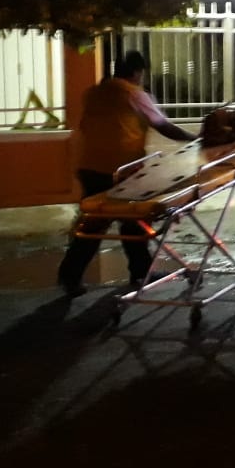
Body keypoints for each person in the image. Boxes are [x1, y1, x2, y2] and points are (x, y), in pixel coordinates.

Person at [56, 51, 198, 297]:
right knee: (132, 220)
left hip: (89, 166)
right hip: (121, 170)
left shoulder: (95, 93)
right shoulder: (134, 94)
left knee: (94, 224)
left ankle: (72, 276)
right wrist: (194, 139)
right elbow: (163, 125)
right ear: (136, 72)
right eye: (141, 73)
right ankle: (139, 271)